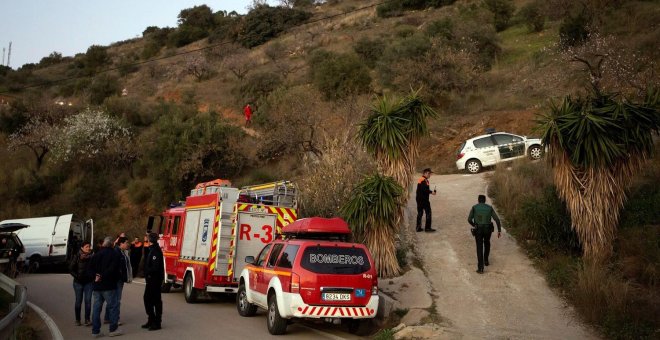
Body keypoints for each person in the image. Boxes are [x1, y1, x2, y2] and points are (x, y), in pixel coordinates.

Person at [89, 237, 122, 337]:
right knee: (113, 307)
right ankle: (113, 329)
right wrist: (104, 276)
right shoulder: (114, 254)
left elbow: (89, 268)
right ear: (112, 244)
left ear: (103, 244)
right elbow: (114, 269)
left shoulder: (96, 254)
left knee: (96, 308)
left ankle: (95, 331)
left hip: (97, 285)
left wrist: (96, 276)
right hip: (109, 285)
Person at [467, 194, 502, 274]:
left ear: (478, 200)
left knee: (479, 247)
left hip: (478, 229)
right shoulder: (489, 208)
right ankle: (486, 260)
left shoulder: (474, 207)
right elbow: (497, 219)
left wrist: (474, 225)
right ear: (485, 200)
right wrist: (499, 230)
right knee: (487, 243)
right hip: (487, 229)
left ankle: (480, 268)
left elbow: (469, 219)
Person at [105, 237, 132, 326]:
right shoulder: (117, 252)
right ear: (121, 243)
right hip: (117, 280)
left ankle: (108, 318)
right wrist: (120, 276)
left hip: (119, 279)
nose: (127, 244)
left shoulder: (123, 252)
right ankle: (115, 319)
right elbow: (116, 267)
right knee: (116, 300)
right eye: (126, 242)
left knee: (113, 299)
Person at [69, 241, 94, 327]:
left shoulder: (92, 256)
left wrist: (93, 276)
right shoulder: (77, 256)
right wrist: (77, 276)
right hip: (78, 283)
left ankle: (87, 319)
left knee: (88, 301)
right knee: (78, 301)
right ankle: (77, 319)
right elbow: (70, 269)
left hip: (89, 283)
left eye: (89, 246)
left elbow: (95, 267)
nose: (88, 248)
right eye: (87, 247)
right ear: (82, 248)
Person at [142, 232, 164, 331]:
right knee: (147, 299)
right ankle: (151, 319)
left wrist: (147, 271)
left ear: (150, 240)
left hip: (154, 280)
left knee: (155, 301)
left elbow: (155, 267)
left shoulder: (155, 251)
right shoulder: (151, 249)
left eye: (147, 238)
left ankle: (157, 322)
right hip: (151, 280)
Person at [416, 168, 437, 232]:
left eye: (430, 173)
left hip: (419, 199)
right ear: (425, 173)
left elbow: (423, 189)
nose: (429, 175)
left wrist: (430, 192)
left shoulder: (422, 179)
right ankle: (427, 228)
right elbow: (424, 189)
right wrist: (431, 192)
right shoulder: (423, 180)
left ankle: (418, 228)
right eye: (428, 173)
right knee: (428, 213)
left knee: (420, 213)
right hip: (424, 200)